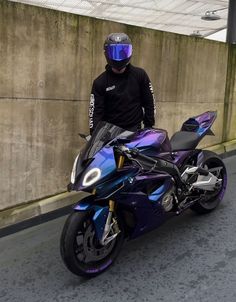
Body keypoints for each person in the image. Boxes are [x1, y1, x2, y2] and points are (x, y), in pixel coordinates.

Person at [88, 32, 156, 134]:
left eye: (122, 52)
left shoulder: (140, 75)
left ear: (130, 52)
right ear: (106, 53)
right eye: (114, 52)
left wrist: (148, 127)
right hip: (109, 135)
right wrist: (94, 136)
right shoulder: (100, 82)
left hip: (134, 131)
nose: (118, 57)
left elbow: (149, 102)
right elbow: (95, 113)